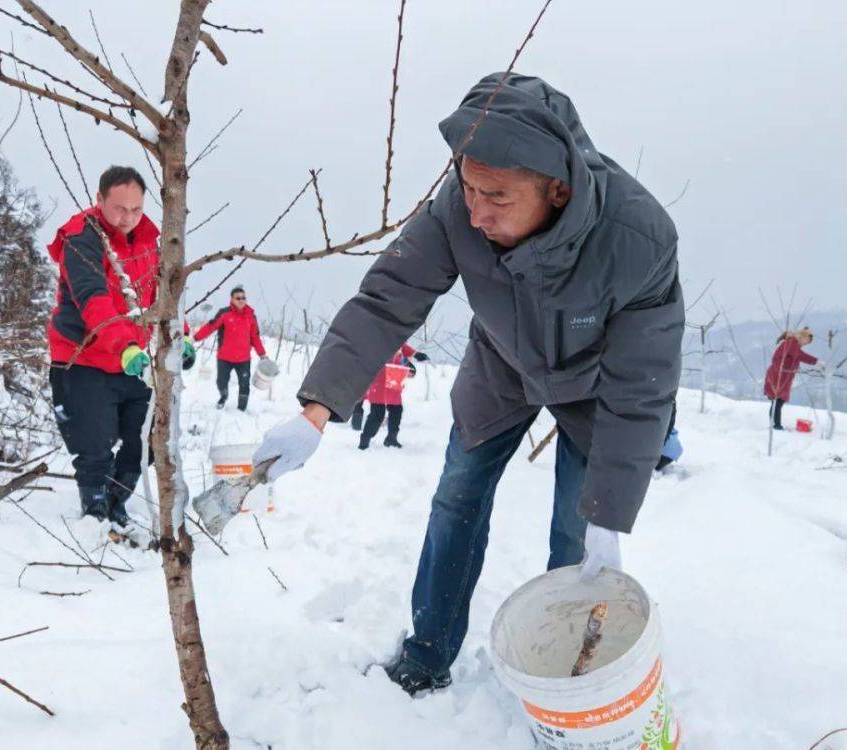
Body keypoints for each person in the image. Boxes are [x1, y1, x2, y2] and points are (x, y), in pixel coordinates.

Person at [252, 73, 684, 695]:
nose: (475, 212)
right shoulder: (460, 209)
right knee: (457, 498)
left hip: (598, 388)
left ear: (556, 190)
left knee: (578, 532)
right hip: (501, 369)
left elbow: (643, 385)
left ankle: (564, 676)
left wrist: (611, 513)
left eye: (497, 197)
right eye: (467, 185)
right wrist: (315, 410)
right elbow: (385, 301)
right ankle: (426, 656)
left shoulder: (638, 239)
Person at [47, 166, 161, 527]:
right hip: (85, 359)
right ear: (99, 200)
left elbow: (160, 296)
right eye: (119, 208)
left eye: (136, 209)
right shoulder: (81, 236)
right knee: (94, 443)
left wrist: (181, 336)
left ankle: (118, 498)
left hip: (135, 361)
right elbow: (92, 299)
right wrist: (123, 343)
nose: (127, 218)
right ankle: (94, 514)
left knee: (145, 441)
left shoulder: (148, 240)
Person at [195, 285, 267, 411]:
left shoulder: (251, 317)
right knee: (221, 382)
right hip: (224, 357)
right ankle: (224, 396)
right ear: (232, 299)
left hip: (243, 359)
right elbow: (211, 326)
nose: (241, 300)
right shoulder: (224, 313)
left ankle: (241, 409)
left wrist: (262, 354)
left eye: (243, 298)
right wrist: (195, 338)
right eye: (238, 298)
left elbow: (255, 337)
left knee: (244, 384)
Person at [356, 344, 429, 449]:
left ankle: (391, 438)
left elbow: (401, 346)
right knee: (377, 414)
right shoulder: (376, 338)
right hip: (379, 380)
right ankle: (365, 440)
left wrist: (415, 354)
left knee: (396, 410)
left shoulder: (394, 335)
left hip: (393, 378)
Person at [764, 327, 817, 430]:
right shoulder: (791, 343)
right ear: (802, 337)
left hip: (782, 377)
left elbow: (794, 358)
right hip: (777, 376)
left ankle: (774, 425)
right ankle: (776, 426)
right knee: (777, 402)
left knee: (777, 402)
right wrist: (816, 362)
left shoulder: (793, 345)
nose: (806, 344)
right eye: (807, 341)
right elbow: (800, 355)